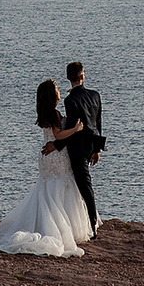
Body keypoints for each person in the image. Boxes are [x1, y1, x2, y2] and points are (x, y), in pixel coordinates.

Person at [0, 79, 96, 258]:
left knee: (47, 190)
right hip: (56, 156)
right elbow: (58, 134)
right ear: (52, 95)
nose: (59, 91)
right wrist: (76, 129)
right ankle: (58, 229)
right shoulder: (54, 113)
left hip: (47, 158)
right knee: (60, 189)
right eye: (56, 89)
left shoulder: (45, 113)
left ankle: (44, 223)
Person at [53, 60, 105, 228]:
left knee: (84, 186)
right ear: (83, 76)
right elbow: (98, 124)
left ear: (68, 78)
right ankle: (88, 220)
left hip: (77, 148)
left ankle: (91, 223)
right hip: (91, 145)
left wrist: (56, 145)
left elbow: (73, 128)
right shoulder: (95, 95)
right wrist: (96, 149)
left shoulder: (70, 100)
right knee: (85, 185)